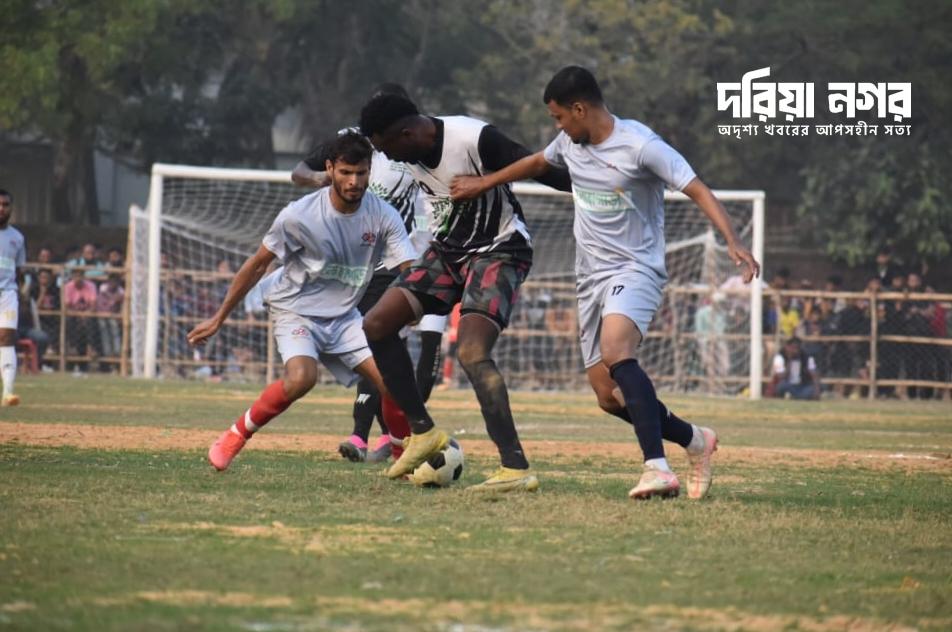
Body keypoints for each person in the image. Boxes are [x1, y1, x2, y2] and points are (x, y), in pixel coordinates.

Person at [451, 66, 760, 500]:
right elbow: (538, 162)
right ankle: (695, 440)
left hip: (635, 269)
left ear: (580, 109)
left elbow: (699, 190)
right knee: (607, 396)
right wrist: (485, 182)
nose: (557, 126)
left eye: (559, 117)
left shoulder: (641, 146)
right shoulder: (568, 143)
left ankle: (657, 467)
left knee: (617, 352)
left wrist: (733, 242)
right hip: (589, 277)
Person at [358, 91, 572, 492]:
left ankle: (515, 467)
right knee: (377, 324)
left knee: (472, 352)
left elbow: (540, 166)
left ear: (406, 133)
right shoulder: (405, 150)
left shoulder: (473, 138)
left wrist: (596, 187)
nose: (388, 159)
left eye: (386, 149)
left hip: (500, 250)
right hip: (446, 253)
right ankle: (423, 432)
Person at [187, 132, 417, 472]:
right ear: (330, 168)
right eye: (345, 172)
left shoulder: (383, 215)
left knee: (394, 384)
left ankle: (403, 459)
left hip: (345, 316)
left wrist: (416, 307)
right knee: (301, 379)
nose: (354, 182)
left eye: (361, 173)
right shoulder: (300, 215)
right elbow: (258, 264)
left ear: (371, 171)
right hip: (296, 309)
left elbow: (409, 270)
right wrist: (219, 317)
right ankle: (235, 435)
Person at [291, 83, 440, 464]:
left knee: (376, 342)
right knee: (368, 351)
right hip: (350, 265)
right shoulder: (349, 144)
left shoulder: (408, 154)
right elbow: (300, 171)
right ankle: (394, 437)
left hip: (391, 265)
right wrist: (322, 180)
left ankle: (368, 435)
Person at [0, 190, 26, 405]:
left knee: (7, 337)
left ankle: (8, 392)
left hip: (7, 294)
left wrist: (21, 293)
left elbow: (19, 270)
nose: (2, 208)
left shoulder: (17, 238)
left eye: (6, 204)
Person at [64, 267, 99, 372]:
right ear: (72, 277)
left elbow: (93, 305)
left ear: (84, 277)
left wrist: (86, 314)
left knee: (91, 320)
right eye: (76, 276)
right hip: (73, 315)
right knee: (70, 319)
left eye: (80, 275)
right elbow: (67, 305)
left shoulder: (91, 286)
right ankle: (72, 347)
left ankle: (91, 347)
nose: (78, 278)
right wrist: (78, 314)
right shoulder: (68, 286)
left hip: (87, 315)